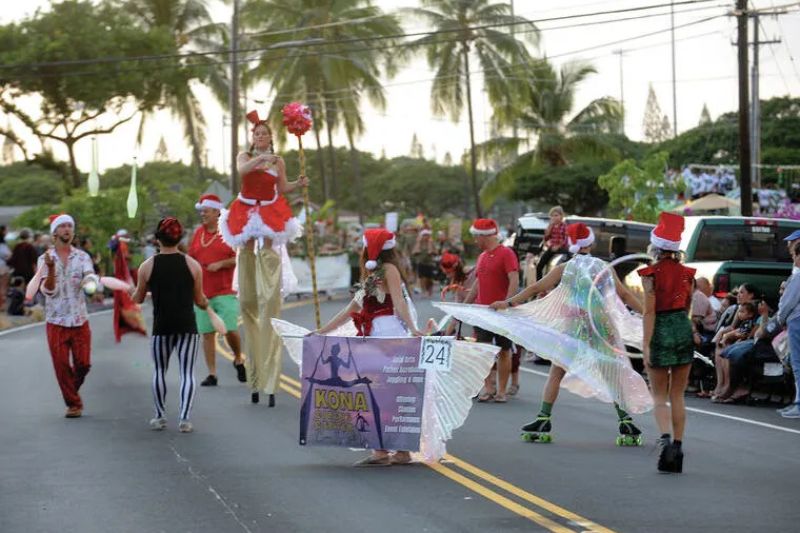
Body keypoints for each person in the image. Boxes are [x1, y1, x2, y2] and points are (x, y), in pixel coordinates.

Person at [437, 222, 650, 444]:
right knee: (611, 373)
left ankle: (543, 418)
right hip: (601, 327)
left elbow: (535, 289)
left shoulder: (566, 268)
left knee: (556, 373)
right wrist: (647, 314)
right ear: (591, 243)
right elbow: (624, 295)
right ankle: (625, 422)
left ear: (572, 244)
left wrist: (508, 303)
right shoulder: (603, 268)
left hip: (573, 327)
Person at [219, 109, 306, 406]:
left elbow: (282, 187)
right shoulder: (245, 156)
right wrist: (262, 158)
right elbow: (243, 172)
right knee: (245, 250)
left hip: (269, 207)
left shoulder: (278, 160)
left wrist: (298, 184)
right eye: (257, 134)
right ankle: (248, 285)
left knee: (269, 250)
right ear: (253, 137)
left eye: (265, 134)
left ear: (271, 137)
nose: (261, 137)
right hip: (245, 207)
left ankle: (270, 284)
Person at [132, 217, 208, 433]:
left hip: (161, 326)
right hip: (187, 326)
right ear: (179, 238)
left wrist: (134, 291)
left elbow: (137, 299)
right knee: (187, 373)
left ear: (158, 239)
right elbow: (200, 300)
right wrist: (206, 303)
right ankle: (184, 418)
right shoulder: (192, 265)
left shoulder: (147, 266)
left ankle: (160, 416)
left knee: (159, 370)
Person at [638, 212, 696, 473]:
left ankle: (665, 442)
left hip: (660, 328)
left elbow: (649, 311)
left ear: (655, 246)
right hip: (682, 327)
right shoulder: (688, 273)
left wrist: (646, 343)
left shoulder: (650, 274)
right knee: (678, 394)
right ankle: (679, 446)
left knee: (659, 395)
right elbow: (687, 305)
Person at [35, 214, 98, 418]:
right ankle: (73, 403)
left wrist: (89, 282)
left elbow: (90, 274)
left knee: (84, 364)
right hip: (56, 321)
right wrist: (52, 269)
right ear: (54, 232)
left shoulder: (82, 257)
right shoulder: (44, 260)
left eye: (69, 226)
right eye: (62, 226)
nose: (67, 229)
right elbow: (49, 291)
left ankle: (70, 390)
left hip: (80, 319)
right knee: (62, 366)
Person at [188, 194, 245, 386]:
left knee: (229, 328)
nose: (202, 214)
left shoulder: (228, 232)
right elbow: (191, 257)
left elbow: (239, 257)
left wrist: (221, 263)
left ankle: (238, 358)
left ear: (216, 212)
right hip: (202, 292)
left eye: (206, 211)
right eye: (201, 211)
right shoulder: (198, 233)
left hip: (225, 290)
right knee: (207, 334)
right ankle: (212, 374)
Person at [461, 218, 519, 403]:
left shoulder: (506, 253)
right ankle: (488, 387)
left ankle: (501, 390)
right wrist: (466, 304)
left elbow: (514, 279)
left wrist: (507, 303)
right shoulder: (482, 257)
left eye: (475, 237)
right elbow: (479, 283)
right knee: (483, 351)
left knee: (504, 350)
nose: (474, 241)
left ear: (484, 236)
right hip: (483, 311)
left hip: (502, 312)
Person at [776, 241, 800, 419]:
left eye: (794, 256)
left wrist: (780, 319)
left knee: (798, 364)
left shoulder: (798, 278)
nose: (793, 259)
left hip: (796, 321)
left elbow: (787, 303)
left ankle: (799, 404)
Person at [110, 229, 147, 342]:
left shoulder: (119, 245)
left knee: (125, 294)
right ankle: (130, 318)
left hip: (121, 272)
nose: (127, 237)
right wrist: (130, 257)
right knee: (126, 295)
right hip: (123, 273)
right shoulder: (121, 245)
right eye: (126, 235)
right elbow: (124, 257)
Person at [535, 206, 568, 282]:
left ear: (561, 216)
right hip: (552, 248)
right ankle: (539, 284)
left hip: (561, 248)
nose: (554, 218)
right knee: (540, 265)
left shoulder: (564, 226)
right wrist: (549, 228)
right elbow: (546, 238)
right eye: (552, 216)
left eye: (556, 215)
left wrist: (558, 246)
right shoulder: (551, 226)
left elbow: (565, 239)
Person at [412, 228, 436, 297]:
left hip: (430, 263)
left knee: (429, 278)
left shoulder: (431, 242)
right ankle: (423, 291)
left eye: (427, 235)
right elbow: (414, 252)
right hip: (421, 262)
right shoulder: (418, 243)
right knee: (422, 277)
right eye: (424, 235)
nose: (425, 237)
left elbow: (434, 252)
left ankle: (429, 289)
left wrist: (431, 246)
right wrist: (418, 242)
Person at [0, 226, 10, 310]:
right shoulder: (2, 243)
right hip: (2, 266)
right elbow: (7, 254)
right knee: (3, 287)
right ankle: (2, 306)